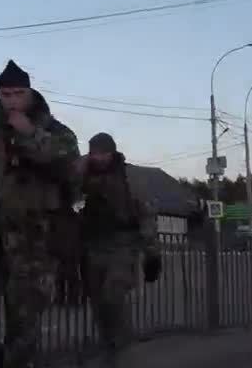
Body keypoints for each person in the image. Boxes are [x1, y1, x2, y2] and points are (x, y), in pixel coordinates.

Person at [0, 60, 81, 368]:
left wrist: (30, 134)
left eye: (18, 93)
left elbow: (71, 171)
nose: (12, 100)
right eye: (6, 94)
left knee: (24, 320)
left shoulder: (57, 131)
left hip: (33, 241)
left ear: (30, 93)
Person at [78, 132, 162, 368]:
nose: (98, 158)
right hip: (93, 247)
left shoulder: (128, 178)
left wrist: (152, 253)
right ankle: (109, 348)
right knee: (98, 304)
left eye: (102, 153)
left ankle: (123, 350)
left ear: (111, 153)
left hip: (122, 246)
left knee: (113, 295)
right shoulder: (84, 176)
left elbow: (146, 214)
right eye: (94, 153)